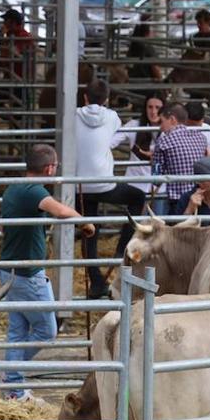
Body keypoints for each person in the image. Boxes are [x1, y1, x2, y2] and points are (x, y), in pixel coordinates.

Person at [0, 143, 94, 402]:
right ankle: (9, 373)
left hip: (9, 269)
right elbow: (61, 211)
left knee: (17, 330)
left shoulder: (13, 188)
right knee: (47, 329)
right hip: (28, 273)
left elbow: (1, 227)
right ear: (49, 168)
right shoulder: (33, 190)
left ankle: (14, 390)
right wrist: (85, 222)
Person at [73, 79, 145, 299]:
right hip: (105, 183)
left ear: (85, 97)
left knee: (90, 231)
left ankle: (96, 281)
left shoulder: (74, 115)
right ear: (106, 99)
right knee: (137, 197)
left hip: (79, 186)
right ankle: (123, 244)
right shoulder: (113, 116)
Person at [149, 103, 206, 216]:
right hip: (198, 195)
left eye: (162, 121)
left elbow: (156, 178)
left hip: (177, 198)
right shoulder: (201, 137)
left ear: (172, 119)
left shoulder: (164, 142)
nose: (160, 127)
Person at [0, 9, 35, 107]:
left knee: (18, 112)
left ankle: (12, 118)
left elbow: (13, 54)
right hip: (12, 76)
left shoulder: (23, 36)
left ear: (12, 22)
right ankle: (11, 118)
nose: (4, 23)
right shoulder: (12, 35)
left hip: (20, 79)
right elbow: (5, 54)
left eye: (6, 20)